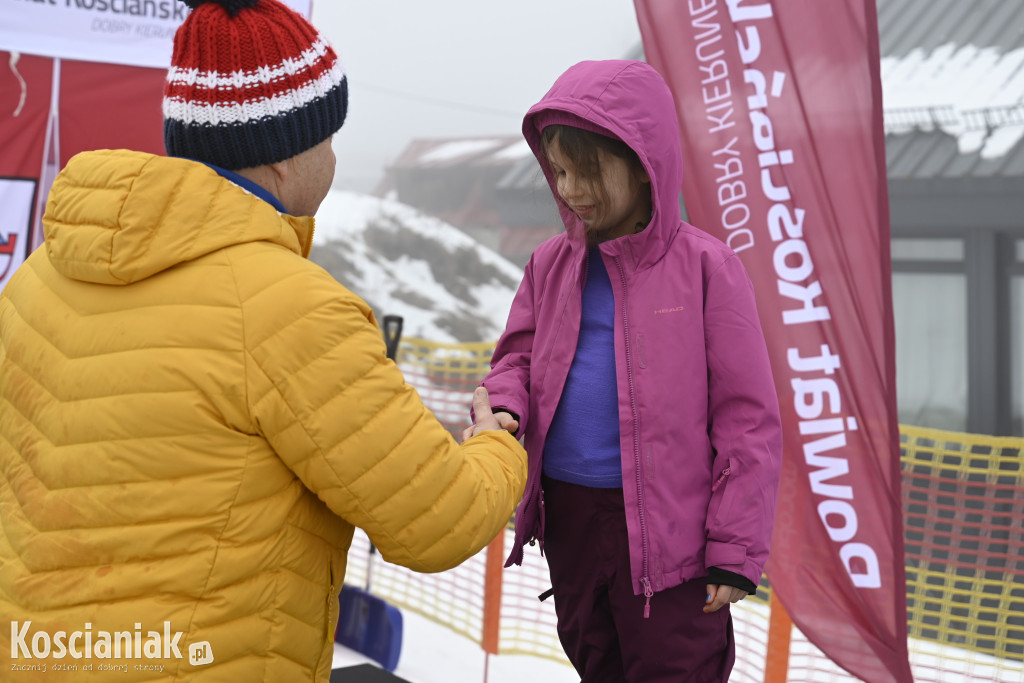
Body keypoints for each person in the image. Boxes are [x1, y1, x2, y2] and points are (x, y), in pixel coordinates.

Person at [0, 1, 525, 681]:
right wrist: (499, 441)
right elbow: (440, 518)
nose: (334, 157)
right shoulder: (289, 310)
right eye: (328, 137)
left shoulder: (44, 271)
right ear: (283, 155)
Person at [465, 60, 783, 682]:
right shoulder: (550, 264)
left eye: (588, 171)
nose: (572, 189)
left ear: (644, 164)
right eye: (559, 172)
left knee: (675, 667)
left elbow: (748, 421)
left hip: (673, 541)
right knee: (595, 660)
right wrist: (506, 404)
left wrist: (735, 549)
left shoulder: (706, 268)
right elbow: (518, 359)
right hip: (572, 522)